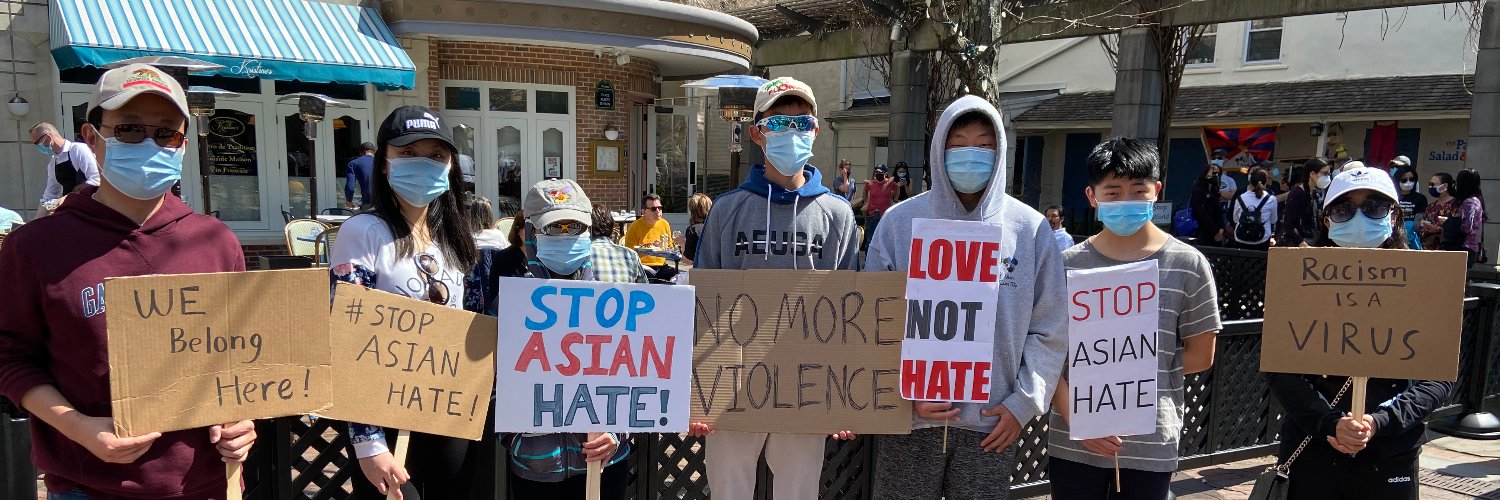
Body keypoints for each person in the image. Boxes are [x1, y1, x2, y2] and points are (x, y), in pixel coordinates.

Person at [0, 63, 257, 499]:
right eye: (130, 130)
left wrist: (243, 420)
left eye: (166, 133)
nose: (149, 144)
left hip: (209, 484)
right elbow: (11, 358)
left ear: (183, 145)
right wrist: (78, 427)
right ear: (92, 137)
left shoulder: (215, 241)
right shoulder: (34, 246)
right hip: (88, 486)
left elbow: (242, 354)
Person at [865, 95, 1067, 500]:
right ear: (939, 149)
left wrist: (1023, 404)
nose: (970, 155)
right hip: (912, 419)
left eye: (984, 145)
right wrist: (901, 395)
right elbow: (874, 319)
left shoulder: (1030, 230)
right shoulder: (899, 223)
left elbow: (1050, 325)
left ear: (1001, 151)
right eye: (958, 144)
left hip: (992, 422)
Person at [689, 76, 859, 500]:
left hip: (807, 386)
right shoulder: (727, 210)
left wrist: (842, 395)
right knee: (729, 491)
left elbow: (851, 312)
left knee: (799, 493)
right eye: (780, 122)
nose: (792, 132)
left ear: (816, 132)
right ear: (757, 133)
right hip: (731, 387)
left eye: (802, 123)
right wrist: (699, 391)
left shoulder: (838, 216)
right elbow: (702, 306)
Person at [1046, 138, 1220, 500]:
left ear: (1156, 191)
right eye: (1112, 191)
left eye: (1137, 190)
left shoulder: (1188, 265)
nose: (1125, 200)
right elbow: (1045, 353)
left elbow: (1202, 354)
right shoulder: (1065, 265)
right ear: (1092, 196)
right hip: (1073, 442)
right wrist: (1078, 418)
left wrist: (1133, 369)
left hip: (1150, 444)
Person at [1266, 165, 1451, 499]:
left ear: (1394, 216)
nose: (1360, 218)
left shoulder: (1427, 283)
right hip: (1313, 446)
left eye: (1375, 207)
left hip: (1392, 451)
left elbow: (1438, 377)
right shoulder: (1298, 280)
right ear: (1326, 220)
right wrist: (1330, 422)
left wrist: (1379, 421)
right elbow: (1280, 370)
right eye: (1343, 209)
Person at [327, 105, 483, 500]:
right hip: (385, 417)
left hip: (448, 412)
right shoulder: (362, 232)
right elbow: (346, 342)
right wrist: (369, 444)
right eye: (407, 152)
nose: (423, 164)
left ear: (450, 166)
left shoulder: (454, 241)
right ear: (383, 163)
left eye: (436, 156)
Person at [503, 179, 631, 499]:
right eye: (554, 228)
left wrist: (619, 432)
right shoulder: (507, 308)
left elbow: (641, 381)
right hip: (535, 470)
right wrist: (515, 435)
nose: (566, 238)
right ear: (532, 235)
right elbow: (488, 388)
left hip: (606, 463)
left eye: (575, 228)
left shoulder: (619, 308)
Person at [31, 121, 100, 212]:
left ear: (48, 137)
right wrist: (35, 223)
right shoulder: (53, 163)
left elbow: (96, 181)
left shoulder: (78, 150)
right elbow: (49, 196)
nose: (38, 147)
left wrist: (64, 200)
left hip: (92, 207)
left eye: (37, 143)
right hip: (72, 209)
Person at [623, 193, 678, 282]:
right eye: (653, 209)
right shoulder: (634, 227)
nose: (657, 211)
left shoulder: (664, 224)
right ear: (643, 212)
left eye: (659, 208)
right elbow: (629, 253)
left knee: (676, 277)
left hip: (661, 266)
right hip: (643, 266)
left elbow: (669, 246)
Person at [589, 202, 649, 283]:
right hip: (626, 294)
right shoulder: (631, 255)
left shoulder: (581, 255)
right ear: (611, 226)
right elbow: (644, 289)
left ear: (587, 227)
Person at [1441, 169, 1485, 267]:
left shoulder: (1469, 202)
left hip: (1464, 247)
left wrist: (1448, 222)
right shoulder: (1476, 200)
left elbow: (1467, 227)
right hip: (1470, 247)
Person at [1232, 166, 1278, 250]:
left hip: (1241, 238)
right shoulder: (1271, 199)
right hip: (1262, 239)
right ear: (1266, 181)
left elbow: (1235, 219)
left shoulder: (1240, 197)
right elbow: (1273, 220)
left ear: (1250, 181)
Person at [862, 164, 899, 249]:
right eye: (877, 173)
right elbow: (865, 191)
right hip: (872, 215)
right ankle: (869, 260)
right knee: (870, 240)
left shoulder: (890, 183)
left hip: (885, 215)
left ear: (885, 173)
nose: (878, 175)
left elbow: (897, 187)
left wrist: (895, 199)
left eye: (880, 173)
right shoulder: (871, 183)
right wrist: (866, 201)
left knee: (884, 240)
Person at [1279, 166, 1315, 247]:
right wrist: (1301, 242)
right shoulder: (1296, 193)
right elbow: (1289, 223)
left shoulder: (1316, 194)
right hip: (1299, 241)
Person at [1190, 165, 1227, 245]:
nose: (1215, 175)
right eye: (1213, 171)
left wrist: (1221, 230)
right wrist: (1215, 230)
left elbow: (1219, 213)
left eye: (1217, 173)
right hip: (1202, 232)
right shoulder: (1198, 192)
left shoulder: (1215, 193)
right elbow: (1200, 213)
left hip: (1217, 234)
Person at [1392, 166, 1427, 250]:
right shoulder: (1392, 196)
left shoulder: (1420, 198)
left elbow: (1419, 219)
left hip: (1411, 236)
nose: (1408, 182)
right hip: (1392, 234)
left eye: (1411, 179)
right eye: (1404, 180)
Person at [1420, 172, 1457, 250]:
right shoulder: (1431, 206)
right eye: (1430, 184)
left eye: (1433, 184)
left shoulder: (1455, 204)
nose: (1430, 187)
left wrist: (1438, 229)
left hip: (1445, 249)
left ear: (1445, 186)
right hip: (1427, 248)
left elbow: (1456, 228)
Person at [345, 142, 376, 210]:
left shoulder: (353, 164)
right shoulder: (383, 162)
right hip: (385, 203)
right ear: (374, 152)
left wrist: (349, 201)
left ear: (361, 153)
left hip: (368, 203)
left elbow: (350, 187)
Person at [683, 192, 712, 266]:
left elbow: (688, 260)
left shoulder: (692, 230)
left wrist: (682, 244)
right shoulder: (716, 227)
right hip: (717, 270)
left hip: (700, 271)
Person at [1306, 158, 1333, 232]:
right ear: (1312, 174)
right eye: (1325, 173)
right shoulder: (1298, 193)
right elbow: (1290, 224)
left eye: (1329, 174)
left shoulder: (1319, 193)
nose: (1327, 177)